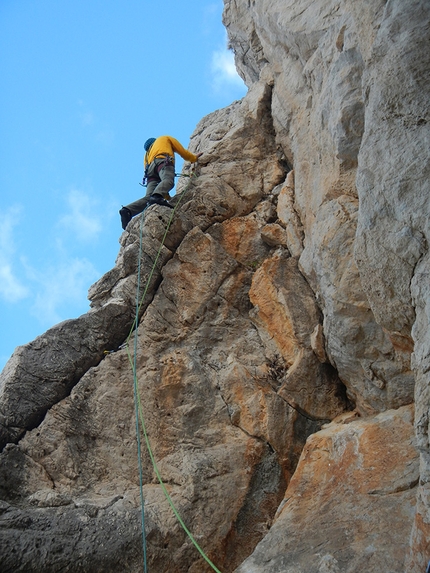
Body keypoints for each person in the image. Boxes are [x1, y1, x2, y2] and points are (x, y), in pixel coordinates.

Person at [119, 135, 202, 230]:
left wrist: (167, 197)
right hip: (162, 161)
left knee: (148, 197)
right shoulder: (164, 138)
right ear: (155, 141)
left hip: (150, 172)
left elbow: (160, 186)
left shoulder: (147, 155)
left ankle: (127, 210)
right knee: (168, 181)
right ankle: (156, 197)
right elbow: (181, 151)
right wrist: (193, 158)